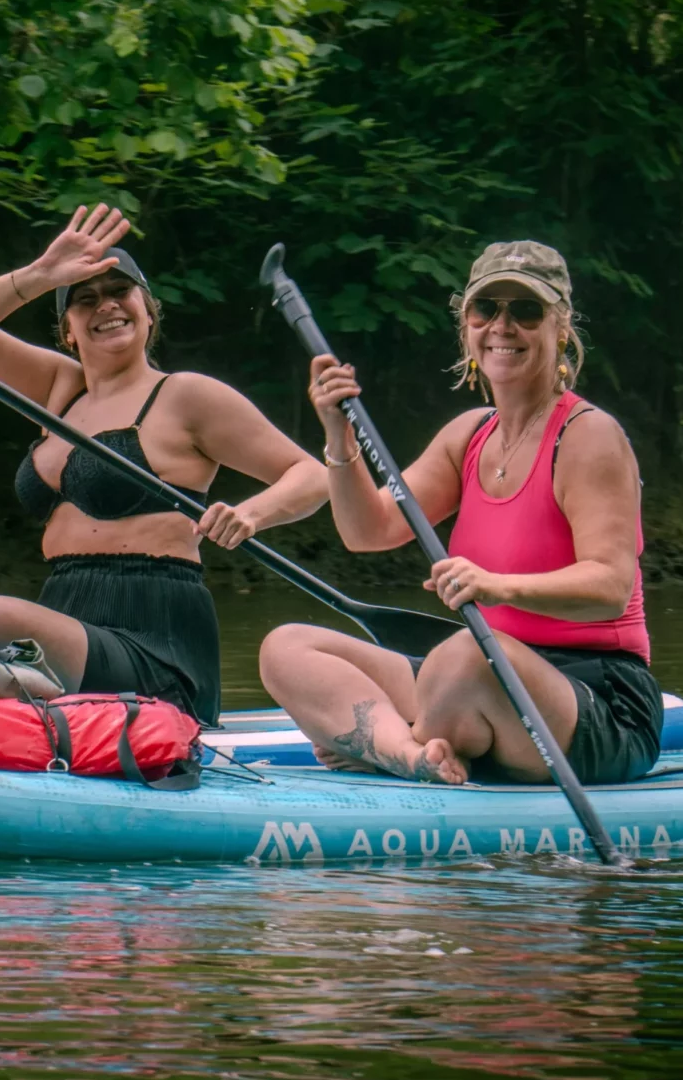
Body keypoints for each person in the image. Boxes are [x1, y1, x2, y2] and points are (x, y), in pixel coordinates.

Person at [0, 204, 329, 724]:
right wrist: (41, 275)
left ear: (149, 309)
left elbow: (311, 476)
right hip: (61, 621)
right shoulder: (57, 389)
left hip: (151, 638)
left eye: (120, 292)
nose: (106, 306)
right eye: (85, 298)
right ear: (68, 329)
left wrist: (252, 514)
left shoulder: (184, 396)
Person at [259, 240, 662, 785]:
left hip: (598, 701)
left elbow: (610, 586)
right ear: (466, 326)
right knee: (286, 647)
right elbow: (367, 530)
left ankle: (386, 744)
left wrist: (498, 586)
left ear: (560, 326)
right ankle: (410, 753)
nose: (502, 325)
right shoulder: (468, 435)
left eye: (525, 310)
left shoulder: (589, 437)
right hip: (479, 676)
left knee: (462, 655)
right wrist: (339, 436)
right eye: (486, 309)